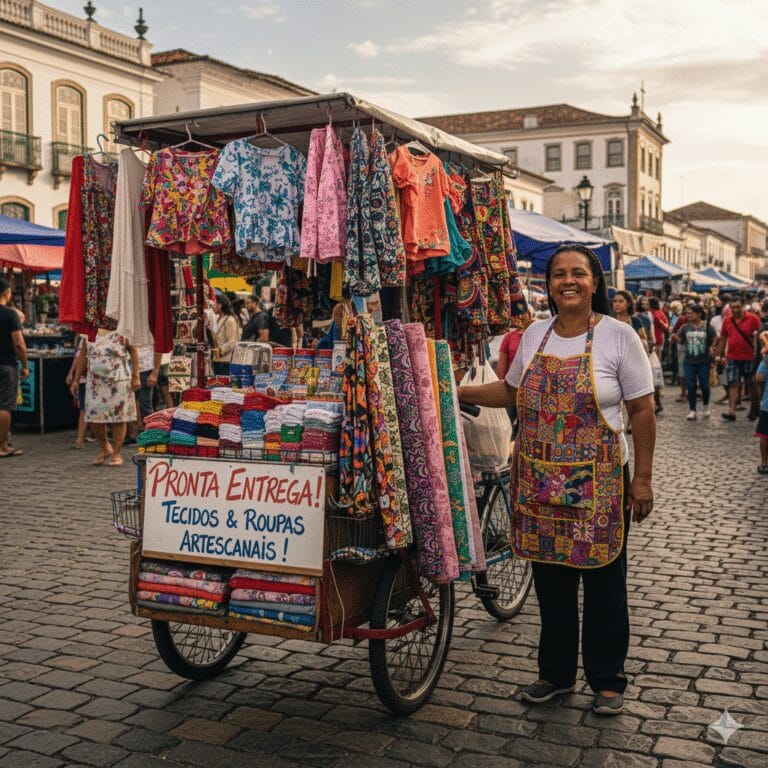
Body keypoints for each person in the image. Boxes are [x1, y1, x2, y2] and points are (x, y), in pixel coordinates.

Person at [459, 244, 656, 717]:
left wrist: (643, 479)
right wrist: (452, 389)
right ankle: (556, 674)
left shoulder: (619, 336)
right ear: (547, 285)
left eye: (579, 274)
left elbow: (642, 411)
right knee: (552, 582)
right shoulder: (534, 334)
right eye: (559, 275)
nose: (568, 282)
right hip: (541, 483)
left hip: (602, 484)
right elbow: (510, 390)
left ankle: (607, 680)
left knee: (606, 584)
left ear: (594, 282)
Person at [70, 330, 140, 467]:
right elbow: (83, 356)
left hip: (118, 379)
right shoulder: (88, 334)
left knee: (118, 417)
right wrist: (76, 379)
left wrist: (136, 376)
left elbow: (134, 351)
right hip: (95, 382)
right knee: (94, 417)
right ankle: (105, 447)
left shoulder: (122, 331)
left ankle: (117, 453)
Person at [715, 296, 760, 421]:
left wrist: (759, 354)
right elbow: (723, 338)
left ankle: (753, 409)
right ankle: (731, 412)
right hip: (732, 358)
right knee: (732, 384)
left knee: (751, 384)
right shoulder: (727, 320)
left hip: (750, 358)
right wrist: (719, 356)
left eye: (738, 307)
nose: (735, 310)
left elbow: (760, 337)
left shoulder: (753, 319)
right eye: (733, 307)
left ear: (743, 306)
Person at [0, 277, 29, 458]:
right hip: (6, 364)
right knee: (4, 406)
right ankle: (3, 445)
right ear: (7, 293)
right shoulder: (10, 314)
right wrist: (25, 364)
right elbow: (19, 343)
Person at [672, 304, 715, 420]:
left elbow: (714, 339)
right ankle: (692, 410)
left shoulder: (707, 327)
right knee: (691, 385)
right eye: (687, 313)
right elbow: (680, 340)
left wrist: (713, 348)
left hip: (704, 361)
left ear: (699, 313)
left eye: (691, 313)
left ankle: (706, 406)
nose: (689, 315)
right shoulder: (685, 327)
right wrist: (674, 337)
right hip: (689, 361)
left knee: (704, 385)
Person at [211, 293, 241, 375]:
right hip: (217, 360)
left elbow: (232, 342)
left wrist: (219, 351)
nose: (213, 306)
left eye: (214, 304)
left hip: (226, 361)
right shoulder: (218, 319)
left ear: (220, 305)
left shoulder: (230, 320)